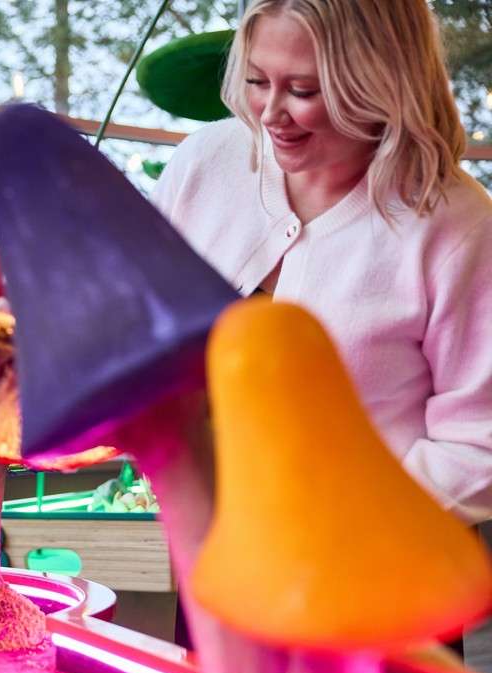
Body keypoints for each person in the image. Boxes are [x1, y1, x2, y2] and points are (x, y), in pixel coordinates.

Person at [153, 0, 492, 527]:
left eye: (303, 90)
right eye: (257, 80)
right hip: (206, 559)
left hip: (375, 573)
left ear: (379, 79)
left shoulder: (456, 227)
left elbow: (480, 444)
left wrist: (343, 531)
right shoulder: (206, 162)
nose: (268, 114)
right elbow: (139, 329)